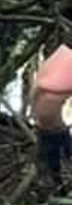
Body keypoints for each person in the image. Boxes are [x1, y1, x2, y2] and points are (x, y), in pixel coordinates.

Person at [29, 43, 72, 184]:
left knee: (60, 154)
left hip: (55, 127)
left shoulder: (54, 73)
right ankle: (57, 186)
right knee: (52, 161)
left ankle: (57, 183)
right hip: (48, 129)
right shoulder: (56, 73)